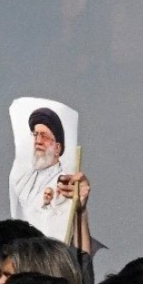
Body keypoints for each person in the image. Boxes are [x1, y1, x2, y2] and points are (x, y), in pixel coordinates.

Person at [8, 106, 95, 254]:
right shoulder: (24, 180)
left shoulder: (65, 184)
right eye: (35, 135)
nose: (38, 141)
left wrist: (80, 211)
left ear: (58, 148)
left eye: (45, 136)